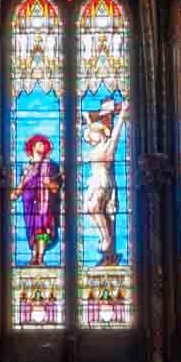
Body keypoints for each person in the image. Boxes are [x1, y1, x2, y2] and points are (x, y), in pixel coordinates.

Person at [77, 87, 128, 263]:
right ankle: (104, 237)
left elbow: (115, 134)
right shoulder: (95, 148)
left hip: (104, 180)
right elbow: (87, 117)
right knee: (88, 209)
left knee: (97, 208)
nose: (90, 137)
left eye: (93, 134)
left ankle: (107, 240)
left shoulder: (108, 146)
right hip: (94, 180)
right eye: (90, 135)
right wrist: (95, 116)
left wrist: (120, 115)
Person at [18, 131, 63, 262]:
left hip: (45, 205)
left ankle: (40, 257)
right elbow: (22, 185)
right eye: (39, 143)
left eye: (44, 144)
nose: (42, 146)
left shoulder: (52, 166)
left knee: (42, 230)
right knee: (33, 230)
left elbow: (56, 188)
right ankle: (34, 255)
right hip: (30, 203)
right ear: (32, 147)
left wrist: (49, 183)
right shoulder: (26, 167)